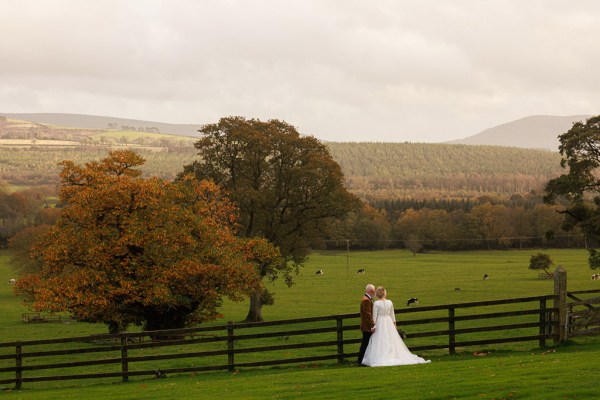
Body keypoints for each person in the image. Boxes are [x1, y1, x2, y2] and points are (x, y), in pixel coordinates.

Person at [361, 286, 430, 367]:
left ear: (377, 294)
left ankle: (382, 355)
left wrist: (373, 326)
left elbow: (374, 317)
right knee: (391, 339)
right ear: (385, 294)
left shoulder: (376, 303)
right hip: (389, 321)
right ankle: (392, 354)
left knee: (380, 340)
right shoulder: (390, 302)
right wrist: (394, 324)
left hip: (380, 322)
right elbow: (392, 315)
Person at [357, 284, 376, 365]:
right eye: (373, 291)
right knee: (365, 344)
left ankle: (362, 360)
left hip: (367, 326)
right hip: (367, 327)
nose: (374, 293)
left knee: (366, 343)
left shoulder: (367, 299)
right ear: (370, 291)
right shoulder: (366, 300)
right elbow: (367, 315)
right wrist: (373, 325)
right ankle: (360, 361)